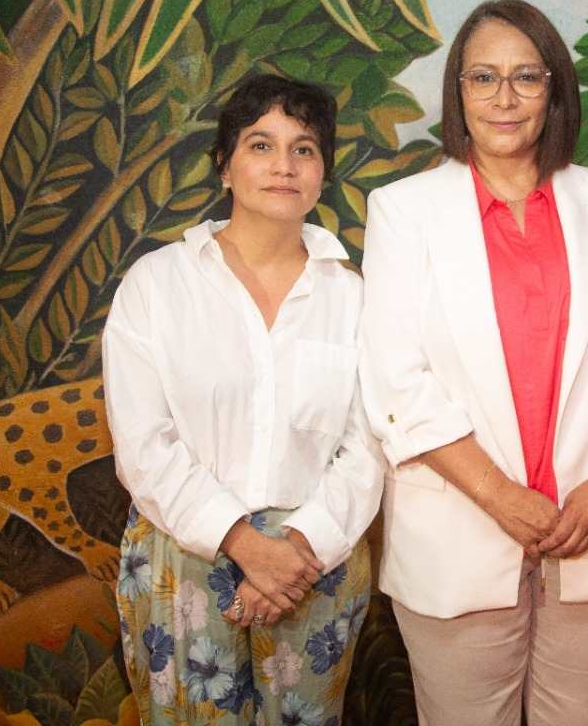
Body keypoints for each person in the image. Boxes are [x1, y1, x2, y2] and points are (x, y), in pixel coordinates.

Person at [358, 0, 588, 726]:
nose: (504, 98)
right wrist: (502, 498)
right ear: (458, 94)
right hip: (459, 533)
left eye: (526, 77)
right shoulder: (403, 212)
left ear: (555, 91)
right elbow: (394, 377)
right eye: (483, 78)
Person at [102, 74, 383, 725]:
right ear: (225, 166)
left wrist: (295, 549)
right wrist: (243, 543)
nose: (284, 166)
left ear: (323, 173)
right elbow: (144, 446)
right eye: (261, 145)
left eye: (305, 148)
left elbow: (367, 445)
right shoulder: (157, 285)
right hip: (186, 558)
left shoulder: (355, 295)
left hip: (317, 562)